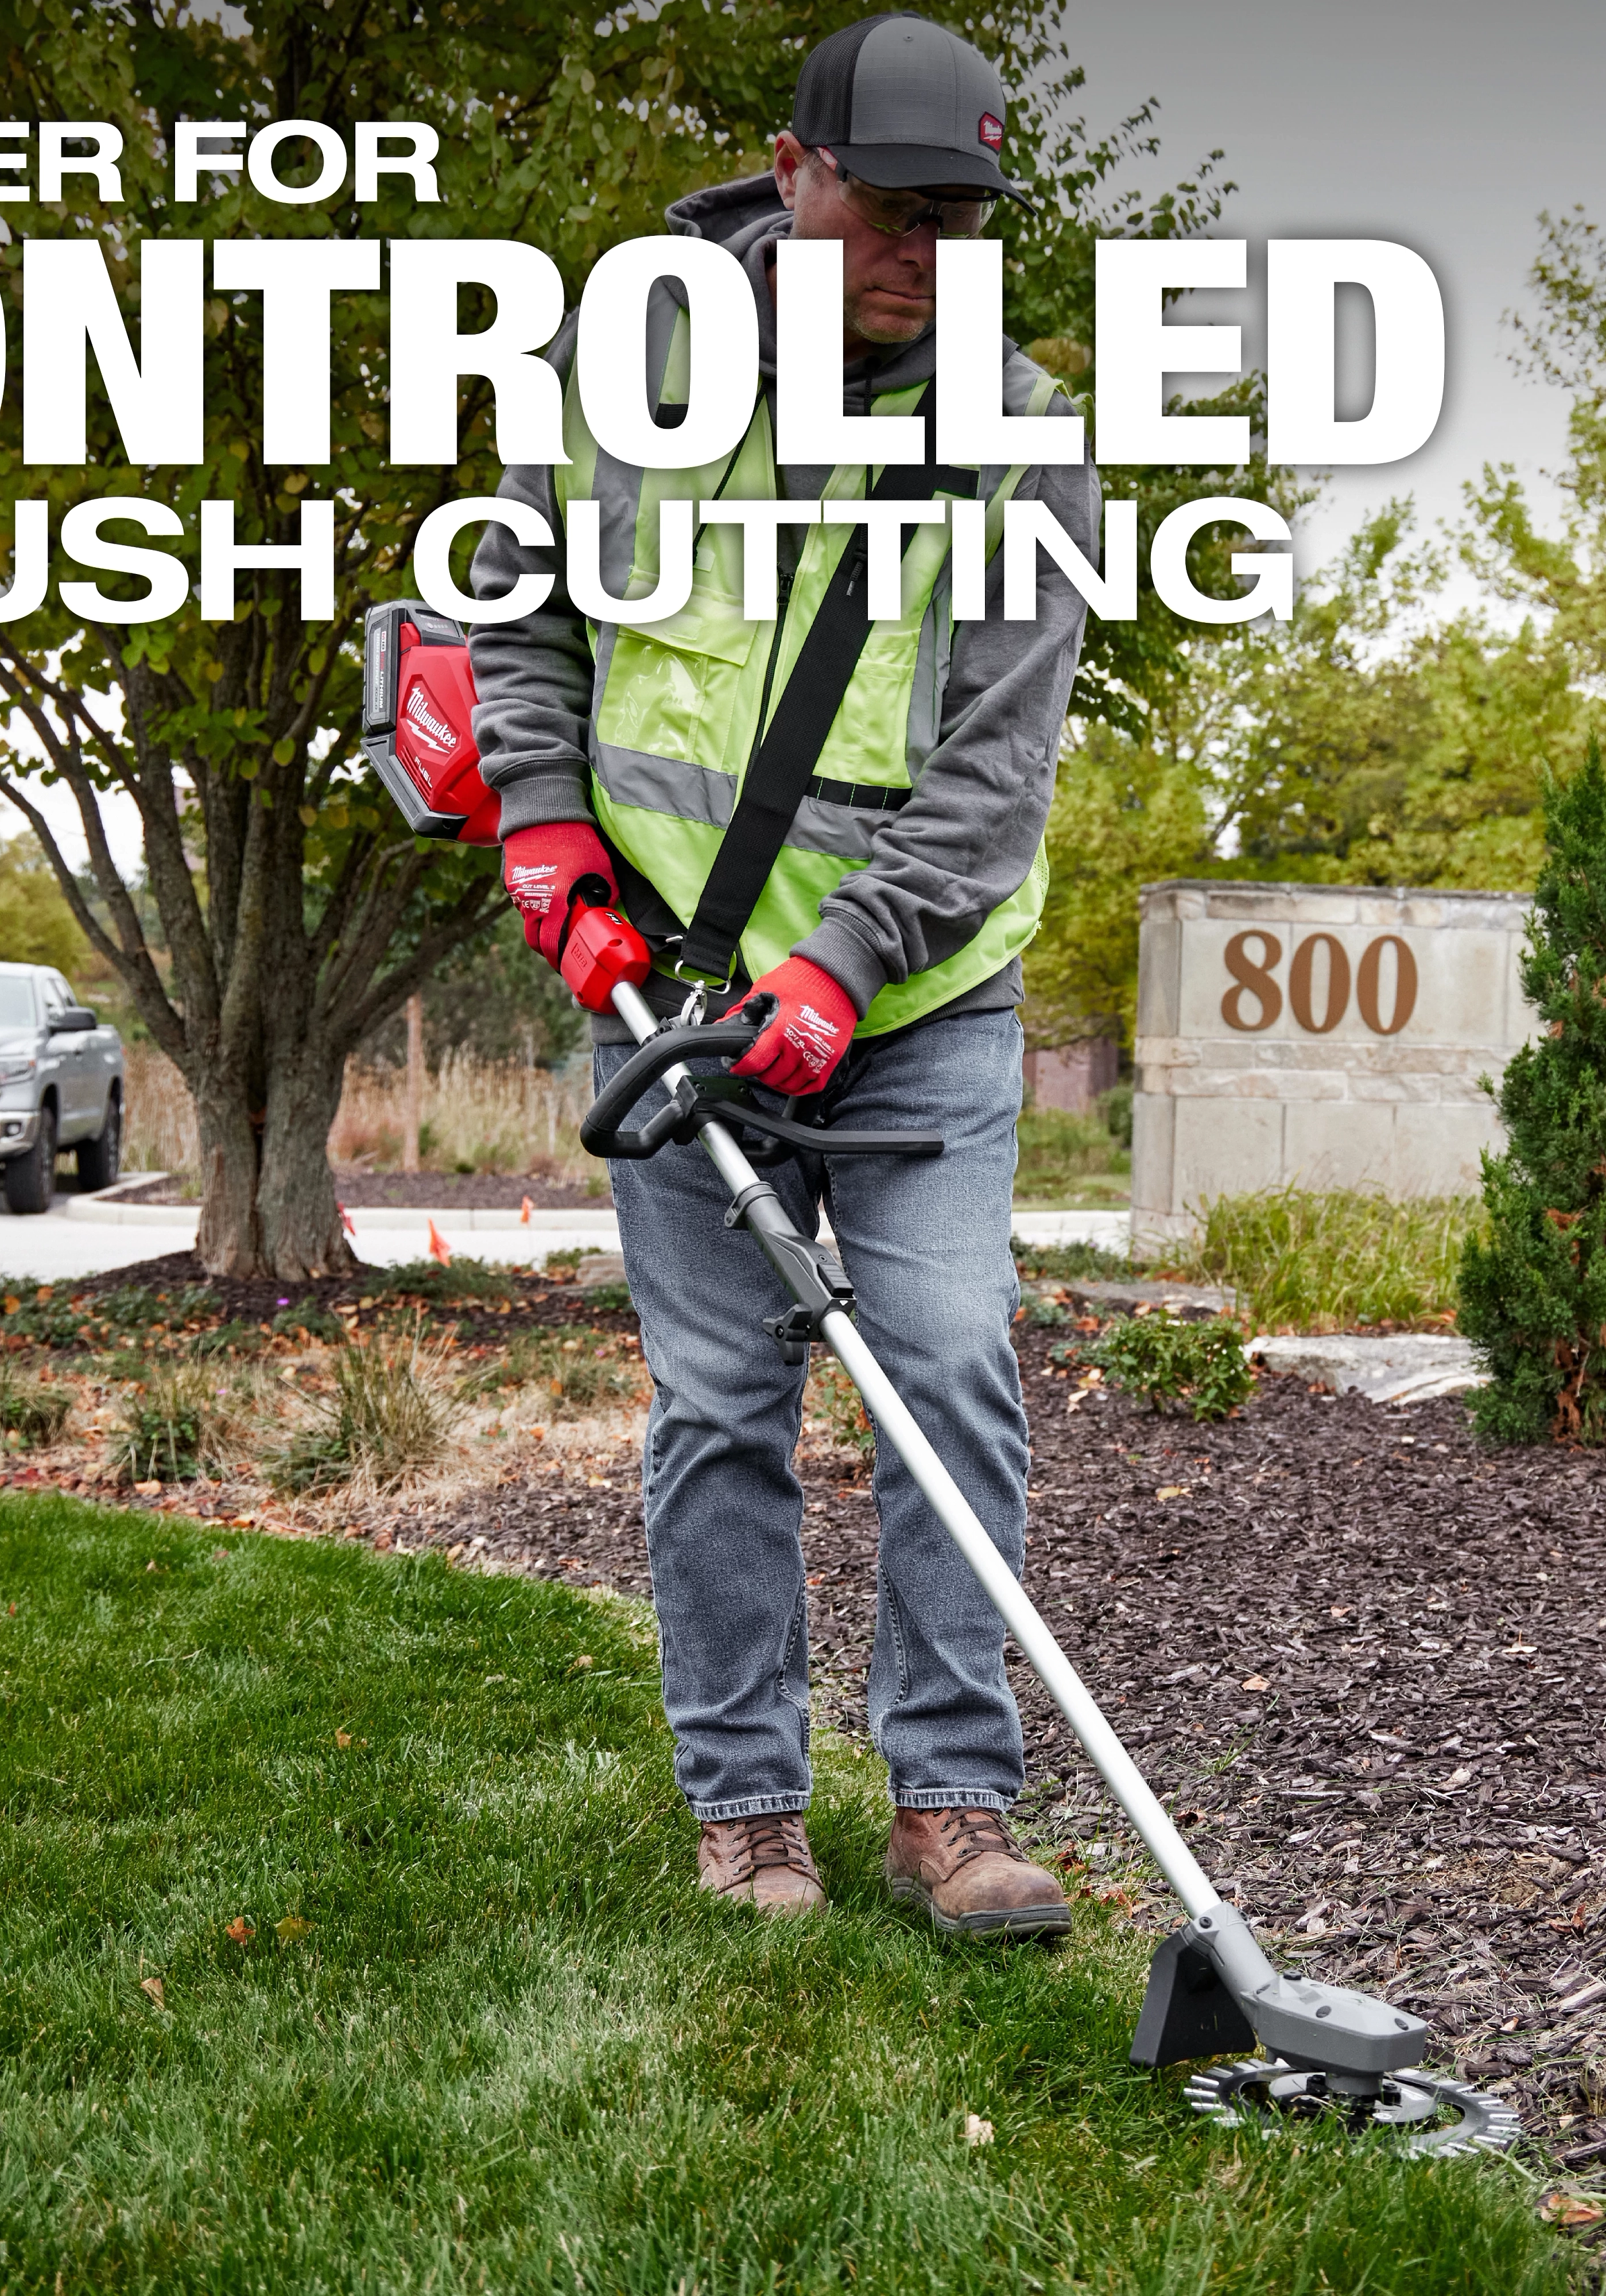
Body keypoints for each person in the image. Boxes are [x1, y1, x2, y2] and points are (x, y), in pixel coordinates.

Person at [467, 10, 1097, 1932]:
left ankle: (951, 1808)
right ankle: (746, 1809)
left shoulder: (1025, 438)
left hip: (914, 1005)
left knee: (949, 1371)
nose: (926, 252)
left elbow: (992, 776)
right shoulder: (626, 367)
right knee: (724, 1399)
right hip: (671, 993)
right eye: (893, 208)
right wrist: (546, 828)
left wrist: (840, 968)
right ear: (794, 168)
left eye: (963, 221)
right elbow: (526, 621)